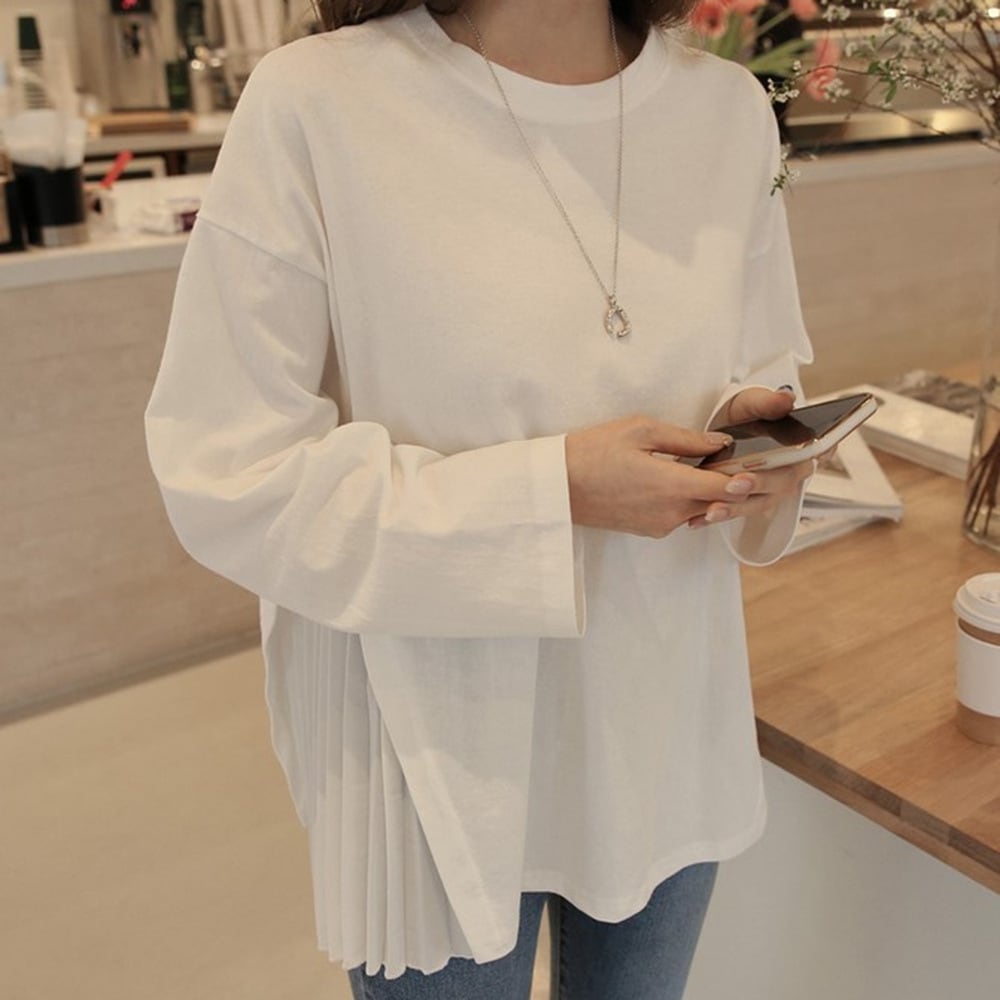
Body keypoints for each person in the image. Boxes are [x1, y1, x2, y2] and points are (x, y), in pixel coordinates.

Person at [145, 1, 815, 996]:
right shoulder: (321, 102)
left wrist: (754, 442)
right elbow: (229, 473)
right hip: (434, 744)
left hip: (665, 712)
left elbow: (758, 361)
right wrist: (554, 490)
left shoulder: (723, 109)